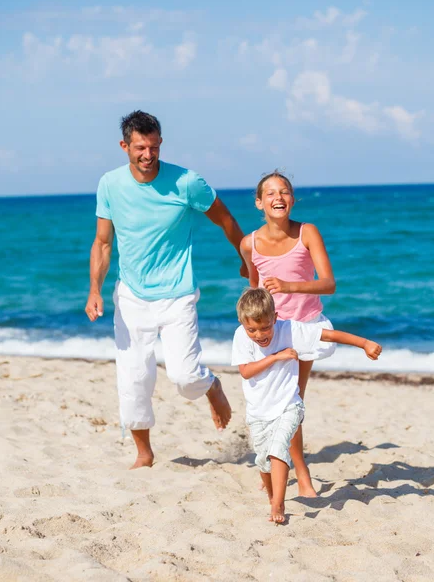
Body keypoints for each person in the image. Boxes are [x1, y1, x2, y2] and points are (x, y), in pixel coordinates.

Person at [85, 110, 247, 470]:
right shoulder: (110, 184)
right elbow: (103, 242)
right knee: (134, 378)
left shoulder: (187, 182)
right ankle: (144, 453)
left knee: (186, 377)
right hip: (131, 296)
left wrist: (244, 257)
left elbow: (225, 219)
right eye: (140, 147)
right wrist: (94, 289)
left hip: (177, 294)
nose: (148, 155)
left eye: (154, 147)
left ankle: (212, 386)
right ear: (124, 146)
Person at [231, 288, 382, 524]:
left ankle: (278, 504)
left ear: (276, 316)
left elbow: (328, 336)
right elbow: (245, 371)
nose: (259, 334)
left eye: (265, 327)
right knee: (263, 460)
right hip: (258, 410)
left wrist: (364, 343)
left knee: (279, 448)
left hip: (289, 404)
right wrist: (276, 357)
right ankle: (273, 498)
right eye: (252, 329)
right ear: (243, 324)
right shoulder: (241, 336)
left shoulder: (290, 329)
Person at [239, 171, 336, 497]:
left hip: (304, 327)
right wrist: (249, 328)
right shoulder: (249, 244)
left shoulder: (307, 233)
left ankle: (300, 474)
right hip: (271, 333)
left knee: (292, 402)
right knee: (282, 405)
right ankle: (284, 466)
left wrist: (289, 286)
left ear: (292, 199)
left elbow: (328, 284)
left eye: (285, 192)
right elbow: (253, 289)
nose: (278, 197)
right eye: (270, 193)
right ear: (259, 202)